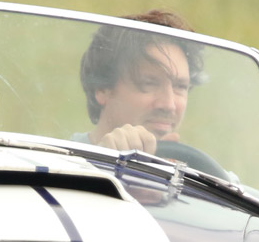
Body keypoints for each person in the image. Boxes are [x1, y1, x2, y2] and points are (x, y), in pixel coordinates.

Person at [78, 9, 204, 156]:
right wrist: (98, 162)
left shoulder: (205, 173)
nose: (169, 105)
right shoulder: (56, 166)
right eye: (149, 83)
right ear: (102, 88)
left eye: (181, 87)